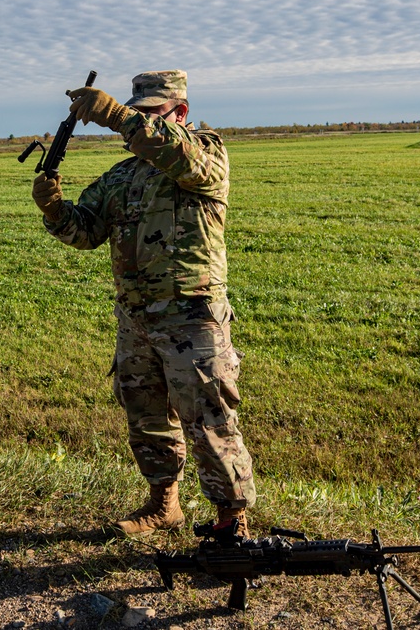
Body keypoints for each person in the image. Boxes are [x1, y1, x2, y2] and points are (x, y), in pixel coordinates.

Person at [31, 71, 256, 536]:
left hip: (192, 317)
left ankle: (232, 521)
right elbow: (86, 231)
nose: (142, 121)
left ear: (181, 113)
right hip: (135, 318)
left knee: (209, 419)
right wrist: (54, 209)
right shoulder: (121, 176)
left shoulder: (205, 154)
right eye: (139, 110)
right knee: (147, 415)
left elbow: (178, 154)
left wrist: (117, 115)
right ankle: (164, 504)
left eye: (152, 112)